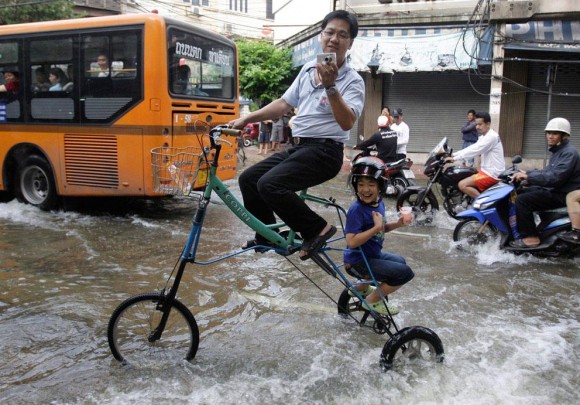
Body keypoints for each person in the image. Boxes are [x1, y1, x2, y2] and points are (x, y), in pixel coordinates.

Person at [228, 10, 365, 261]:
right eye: (330, 32)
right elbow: (283, 104)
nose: (334, 38)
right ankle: (268, 235)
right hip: (299, 148)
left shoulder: (353, 80)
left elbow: (346, 122)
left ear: (350, 42)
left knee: (270, 184)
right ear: (321, 36)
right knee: (249, 179)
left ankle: (317, 229)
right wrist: (245, 118)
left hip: (325, 152)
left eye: (342, 35)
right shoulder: (306, 70)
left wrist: (331, 86)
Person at [344, 157, 414, 315]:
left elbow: (381, 229)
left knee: (400, 262)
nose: (365, 189)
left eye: (371, 184)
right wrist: (375, 227)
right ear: (355, 186)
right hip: (357, 261)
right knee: (405, 273)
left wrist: (399, 223)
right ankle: (371, 301)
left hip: (371, 255)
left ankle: (360, 288)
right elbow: (352, 241)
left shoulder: (379, 203)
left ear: (380, 186)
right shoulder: (357, 210)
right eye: (360, 184)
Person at [510, 117, 580, 248]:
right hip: (558, 189)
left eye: (555, 133)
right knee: (523, 191)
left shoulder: (568, 153)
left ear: (563, 136)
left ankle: (531, 238)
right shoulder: (559, 151)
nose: (550, 136)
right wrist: (528, 174)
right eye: (548, 133)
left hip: (562, 192)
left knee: (522, 200)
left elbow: (555, 177)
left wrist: (528, 177)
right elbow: (547, 172)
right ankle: (541, 224)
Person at [446, 111, 505, 199]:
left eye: (480, 124)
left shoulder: (491, 137)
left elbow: (475, 150)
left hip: (492, 174)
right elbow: (472, 147)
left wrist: (455, 159)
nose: (477, 127)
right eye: (476, 124)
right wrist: (453, 154)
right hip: (486, 171)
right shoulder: (484, 137)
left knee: (462, 185)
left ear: (488, 124)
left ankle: (483, 205)